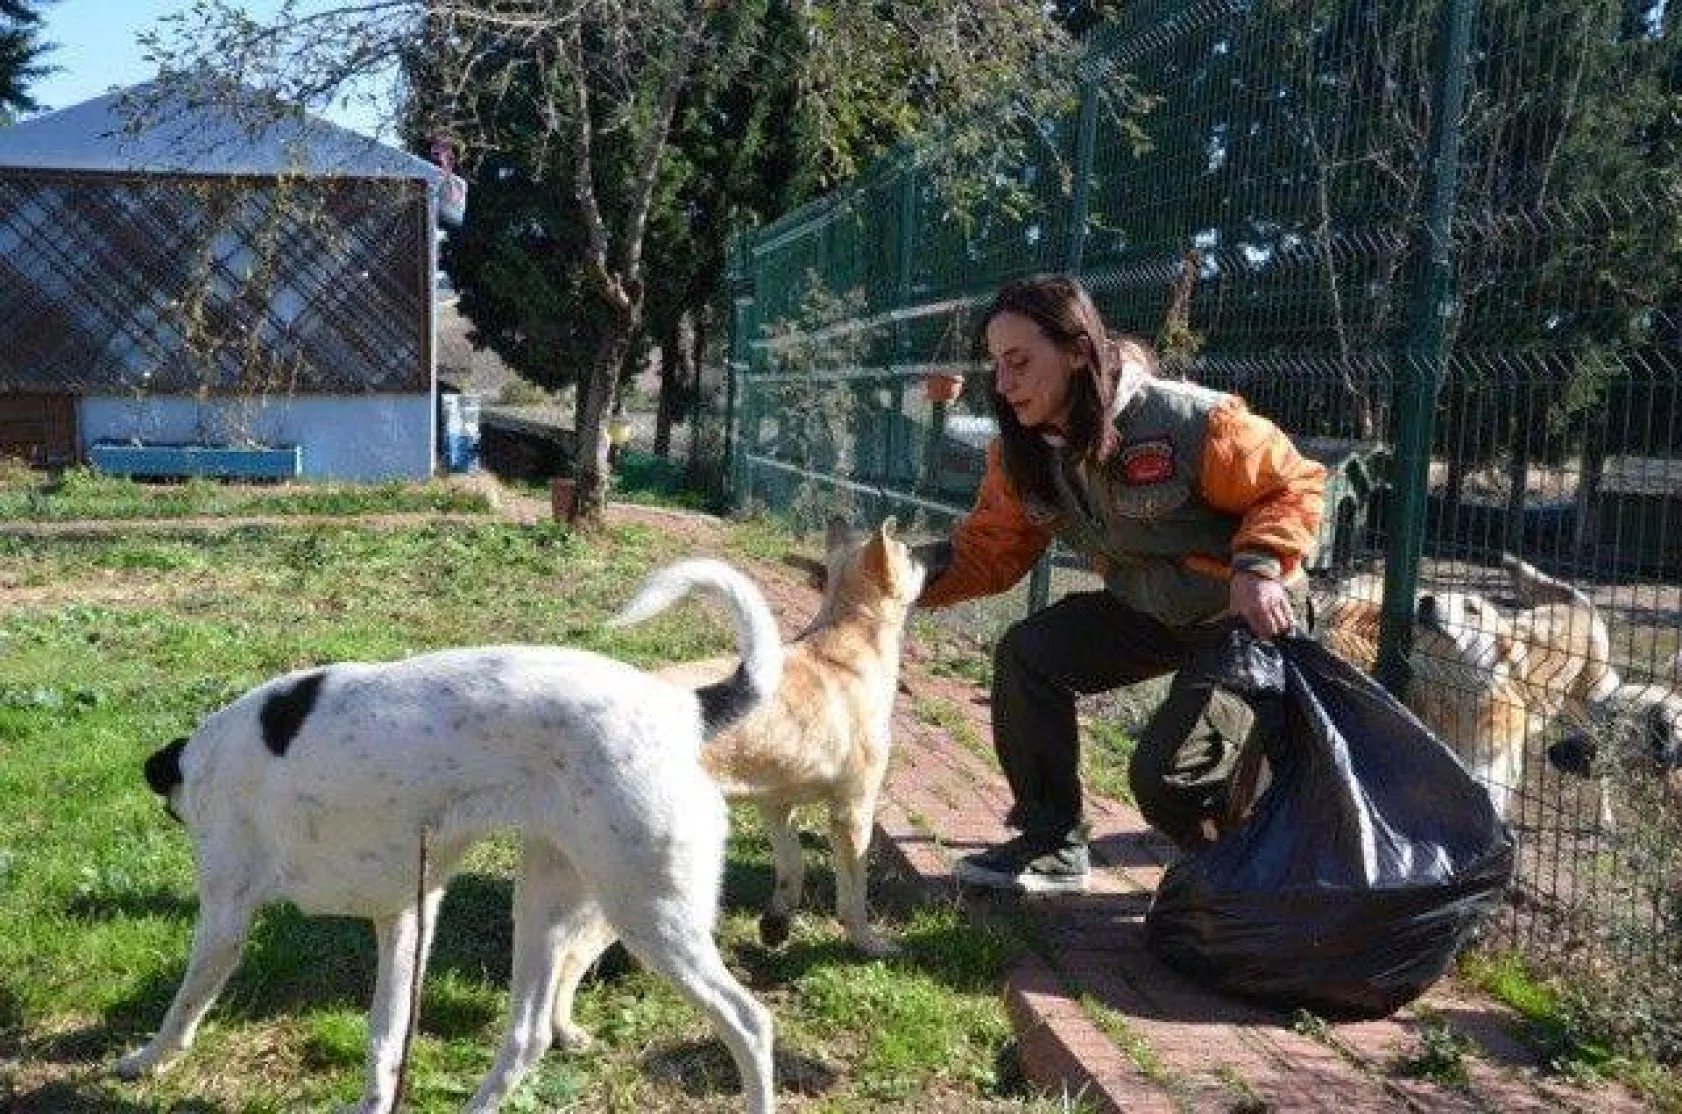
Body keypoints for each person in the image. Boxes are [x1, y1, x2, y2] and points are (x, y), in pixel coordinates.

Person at [914, 274, 1327, 894]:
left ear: (1078, 349)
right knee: (1029, 656)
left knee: (1166, 780)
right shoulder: (1024, 453)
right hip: (1149, 614)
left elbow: (1293, 483)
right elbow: (991, 551)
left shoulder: (1191, 423)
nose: (1002, 384)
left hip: (1241, 621)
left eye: (1019, 362)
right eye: (996, 365)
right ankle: (1052, 843)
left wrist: (1260, 564)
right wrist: (896, 579)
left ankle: (1237, 875)